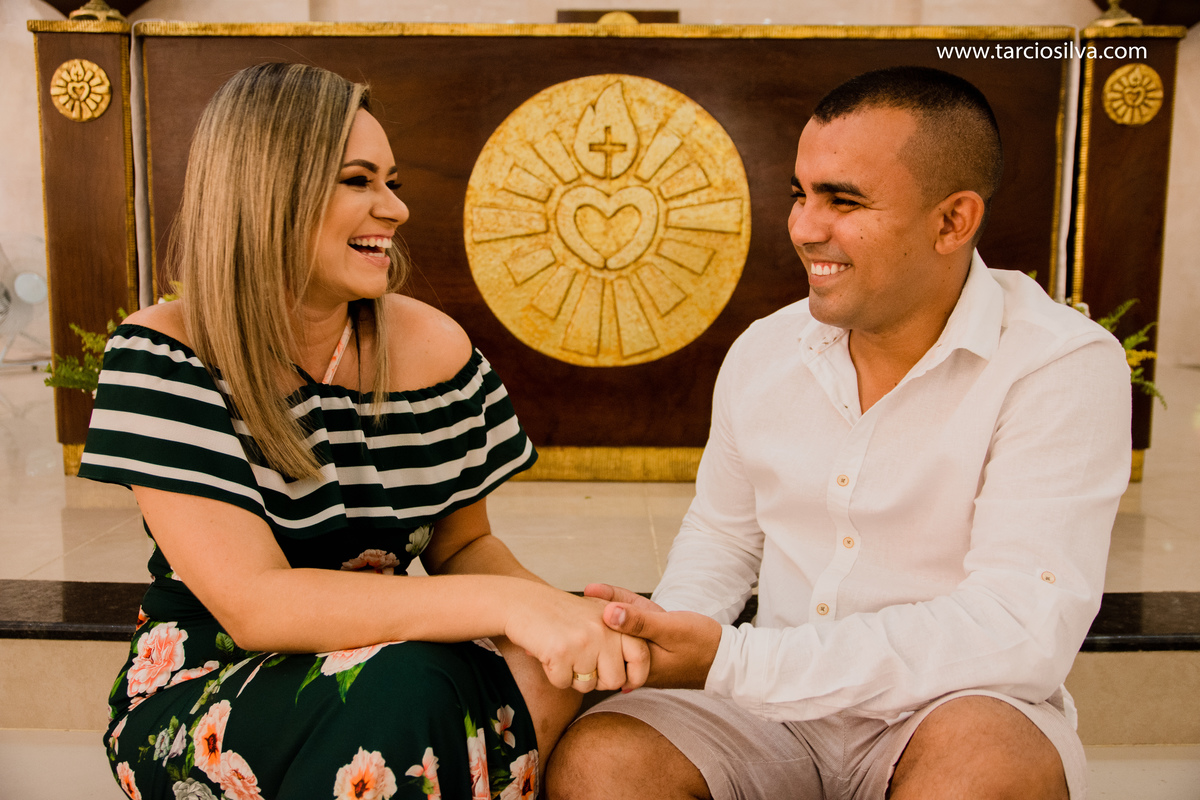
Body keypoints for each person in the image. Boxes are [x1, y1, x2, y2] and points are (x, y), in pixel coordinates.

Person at [546, 66, 1131, 800]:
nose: (803, 227)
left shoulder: (1058, 363)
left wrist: (732, 660)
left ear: (953, 220)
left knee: (987, 768)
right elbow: (724, 538)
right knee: (605, 761)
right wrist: (669, 632)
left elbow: (1019, 628)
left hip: (952, 706)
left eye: (843, 201)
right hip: (761, 717)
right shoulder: (766, 348)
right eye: (800, 193)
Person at [78, 62, 646, 800]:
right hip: (210, 681)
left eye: (393, 182)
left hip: (399, 667)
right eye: (359, 180)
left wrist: (571, 623)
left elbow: (463, 544)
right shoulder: (164, 353)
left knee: (490, 676)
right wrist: (510, 608)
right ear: (268, 188)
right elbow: (255, 604)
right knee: (415, 684)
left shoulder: (435, 347)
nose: (396, 209)